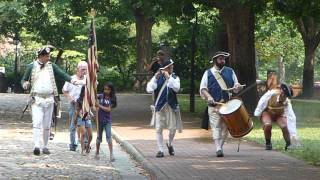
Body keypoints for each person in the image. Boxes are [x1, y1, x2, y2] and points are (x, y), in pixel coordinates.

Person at [21, 46, 81, 155]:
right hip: (36, 98)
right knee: (37, 122)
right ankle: (36, 145)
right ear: (41, 56)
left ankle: (45, 146)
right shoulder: (31, 66)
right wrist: (25, 84)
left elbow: (62, 74)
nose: (49, 58)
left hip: (49, 98)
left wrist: (73, 81)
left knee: (47, 124)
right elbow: (24, 79)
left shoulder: (52, 66)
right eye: (47, 56)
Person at [199, 51, 243, 157]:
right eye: (220, 59)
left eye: (223, 59)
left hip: (227, 106)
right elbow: (203, 88)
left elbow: (236, 87)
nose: (223, 60)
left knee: (226, 128)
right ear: (215, 60)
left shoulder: (230, 71)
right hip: (214, 105)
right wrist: (209, 96)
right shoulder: (208, 72)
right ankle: (218, 148)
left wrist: (237, 86)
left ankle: (220, 146)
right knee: (216, 126)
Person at [146, 59, 183, 158]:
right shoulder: (157, 77)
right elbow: (149, 89)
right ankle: (160, 149)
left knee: (172, 129)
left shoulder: (175, 78)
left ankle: (169, 143)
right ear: (164, 68)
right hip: (159, 106)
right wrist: (155, 78)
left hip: (171, 106)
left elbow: (176, 88)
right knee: (158, 129)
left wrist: (168, 77)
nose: (171, 68)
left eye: (172, 66)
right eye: (169, 66)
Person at [265, 70, 301, 148]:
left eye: (273, 78)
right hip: (272, 111)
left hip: (284, 106)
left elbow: (286, 93)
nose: (271, 81)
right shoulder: (268, 88)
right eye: (270, 78)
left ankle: (293, 142)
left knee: (290, 121)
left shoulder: (279, 88)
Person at [254, 82, 293, 150]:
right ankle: (268, 143)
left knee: (285, 126)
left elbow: (290, 115)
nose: (284, 97)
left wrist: (289, 124)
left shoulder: (287, 102)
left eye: (286, 96)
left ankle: (288, 144)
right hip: (268, 112)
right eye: (283, 94)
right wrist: (259, 115)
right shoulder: (271, 94)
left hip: (279, 115)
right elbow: (261, 103)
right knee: (268, 125)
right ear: (281, 91)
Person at [62, 61, 88, 151]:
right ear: (78, 69)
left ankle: (85, 142)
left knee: (86, 124)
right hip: (74, 105)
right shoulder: (71, 79)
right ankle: (73, 144)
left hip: (85, 105)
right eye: (83, 69)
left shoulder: (87, 79)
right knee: (73, 125)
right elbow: (64, 90)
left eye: (86, 69)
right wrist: (70, 98)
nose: (84, 71)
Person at [95, 82, 117, 162]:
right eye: (104, 89)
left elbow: (108, 109)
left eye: (107, 89)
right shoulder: (100, 96)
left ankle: (111, 154)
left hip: (107, 120)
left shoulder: (112, 99)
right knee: (99, 138)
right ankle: (97, 152)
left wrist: (99, 106)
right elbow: (93, 96)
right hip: (99, 120)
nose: (105, 91)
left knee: (109, 136)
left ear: (111, 90)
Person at [73, 86, 93, 155]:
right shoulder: (79, 100)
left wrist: (92, 114)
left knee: (90, 136)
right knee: (83, 133)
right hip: (81, 118)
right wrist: (76, 119)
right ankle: (82, 150)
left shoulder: (89, 100)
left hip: (88, 118)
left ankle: (87, 146)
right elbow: (77, 110)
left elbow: (89, 109)